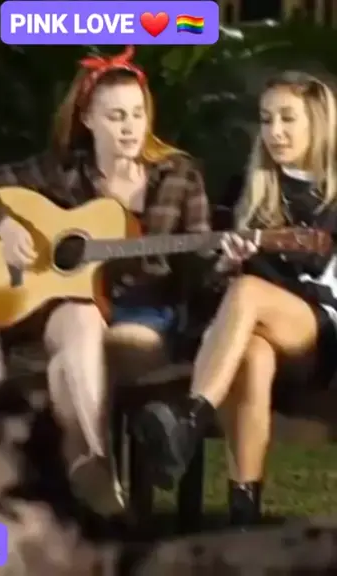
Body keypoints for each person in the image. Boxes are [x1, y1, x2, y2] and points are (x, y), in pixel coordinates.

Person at [0, 46, 217, 517]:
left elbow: (201, 261)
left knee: (67, 369)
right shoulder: (63, 171)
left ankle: (93, 477)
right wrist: (5, 226)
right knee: (80, 316)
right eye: (116, 116)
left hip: (144, 321)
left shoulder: (179, 175)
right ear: (88, 119)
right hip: (72, 314)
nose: (130, 127)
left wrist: (220, 257)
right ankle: (98, 474)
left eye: (137, 114)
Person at [135, 70, 337, 529]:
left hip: (320, 334)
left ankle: (189, 419)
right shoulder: (248, 188)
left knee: (248, 292)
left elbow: (317, 265)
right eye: (266, 120)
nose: (275, 131)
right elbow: (212, 286)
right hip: (257, 329)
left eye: (287, 118)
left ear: (317, 123)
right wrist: (226, 264)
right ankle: (243, 515)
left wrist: (254, 274)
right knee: (252, 355)